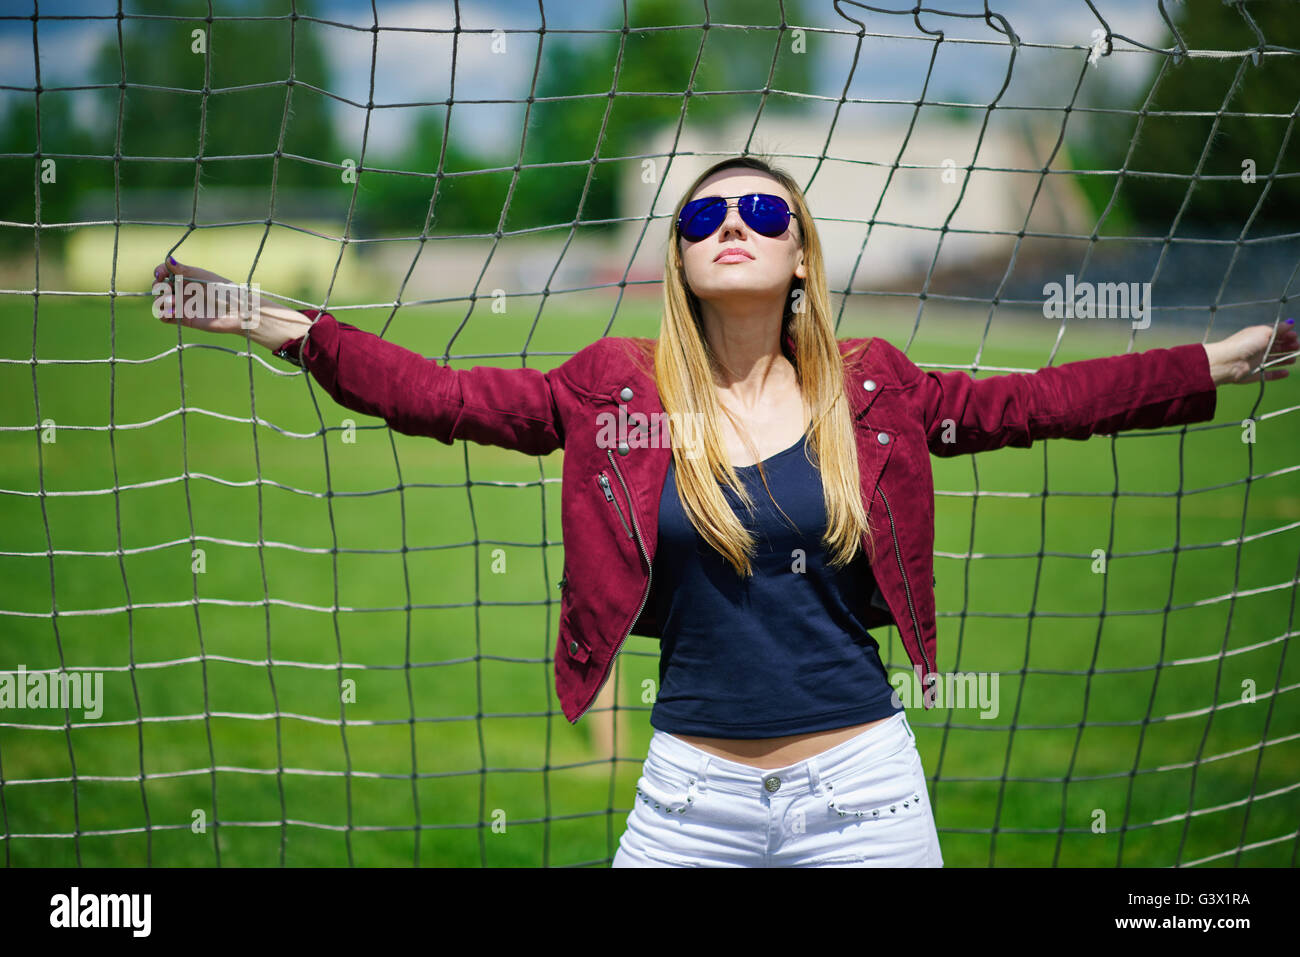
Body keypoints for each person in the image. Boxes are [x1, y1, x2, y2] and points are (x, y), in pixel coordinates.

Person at [150, 155, 1296, 867]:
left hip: (863, 793)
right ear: (679, 262)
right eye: (703, 220)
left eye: (758, 210)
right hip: (687, 802)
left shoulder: (880, 389)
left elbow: (1049, 400)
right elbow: (444, 399)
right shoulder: (612, 390)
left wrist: (1209, 359)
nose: (730, 228)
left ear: (801, 253)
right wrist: (279, 323)